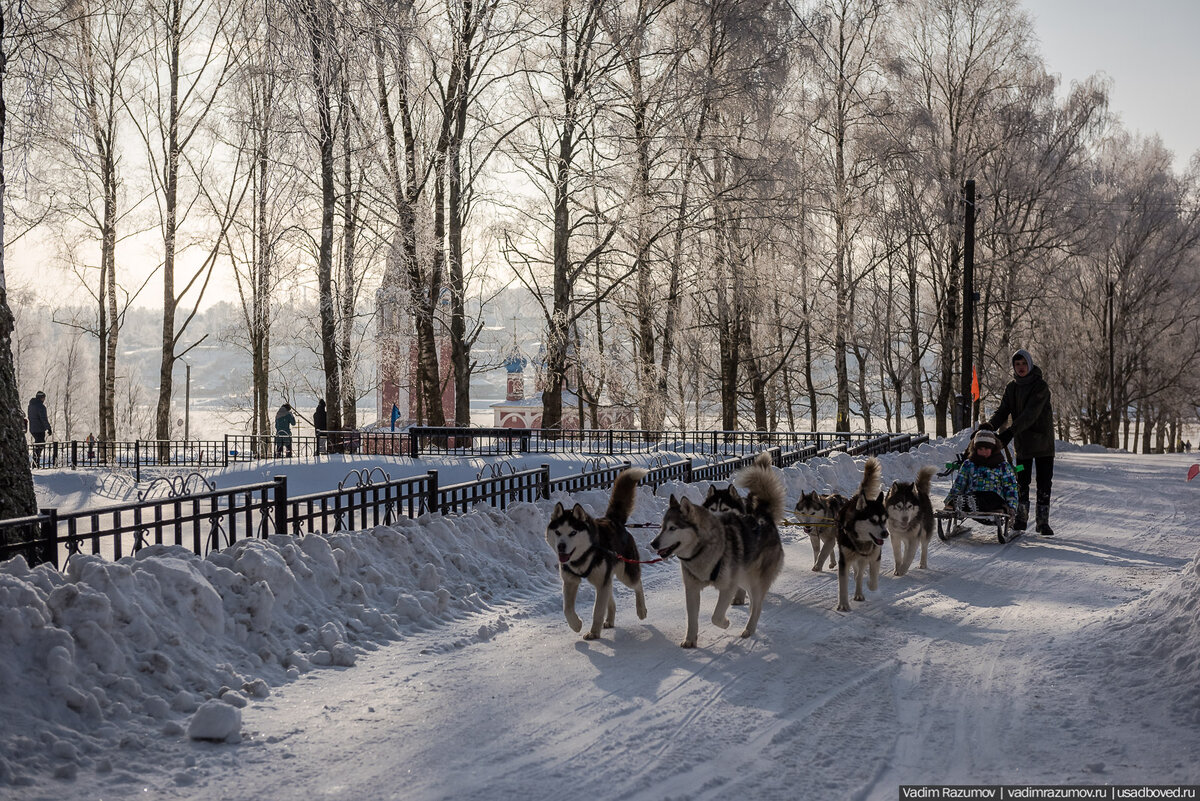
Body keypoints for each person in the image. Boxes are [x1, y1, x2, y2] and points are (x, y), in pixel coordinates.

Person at [986, 348, 1056, 536]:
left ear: (1030, 364)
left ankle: (1043, 522)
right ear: (1014, 367)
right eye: (1017, 364)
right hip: (1023, 445)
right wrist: (990, 425)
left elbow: (1030, 414)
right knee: (1021, 481)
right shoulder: (1012, 387)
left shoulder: (1040, 386)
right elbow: (1003, 410)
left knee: (1043, 482)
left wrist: (1009, 432)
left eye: (1024, 363)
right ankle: (1021, 518)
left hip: (1043, 444)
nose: (1021, 367)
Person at [943, 427, 1019, 518]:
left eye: (987, 449)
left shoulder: (1002, 466)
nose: (983, 452)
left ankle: (974, 504)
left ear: (993, 448)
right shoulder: (969, 464)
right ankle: (964, 504)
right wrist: (950, 500)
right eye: (980, 449)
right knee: (964, 498)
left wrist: (1012, 506)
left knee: (991, 498)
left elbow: (1010, 487)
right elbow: (959, 484)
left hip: (994, 498)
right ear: (975, 449)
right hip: (973, 495)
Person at [27, 390, 51, 463]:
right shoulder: (41, 407)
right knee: (40, 444)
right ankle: (35, 461)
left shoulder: (30, 406)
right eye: (43, 398)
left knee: (38, 444)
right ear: (41, 398)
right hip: (39, 429)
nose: (44, 399)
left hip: (32, 428)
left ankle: (35, 461)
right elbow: (43, 418)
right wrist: (48, 428)